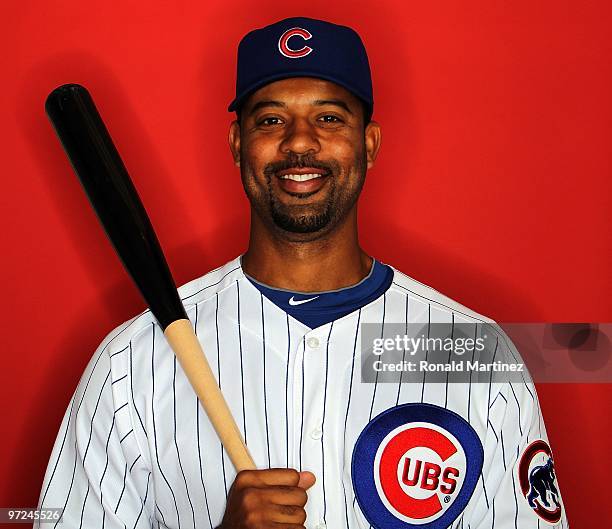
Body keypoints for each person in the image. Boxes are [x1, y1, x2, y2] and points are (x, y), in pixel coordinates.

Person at [37, 16, 569, 529]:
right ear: (237, 145)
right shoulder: (133, 361)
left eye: (329, 118)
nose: (298, 141)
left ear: (370, 144)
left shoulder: (474, 351)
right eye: (270, 120)